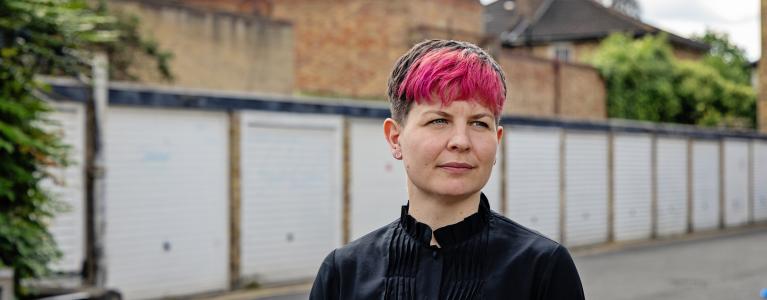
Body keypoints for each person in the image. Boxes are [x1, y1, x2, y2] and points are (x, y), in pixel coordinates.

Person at [310, 39, 584, 299]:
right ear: (395, 138)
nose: (461, 142)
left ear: (497, 140)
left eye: (479, 123)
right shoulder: (343, 275)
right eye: (439, 121)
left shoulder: (541, 269)